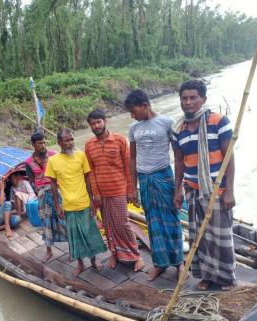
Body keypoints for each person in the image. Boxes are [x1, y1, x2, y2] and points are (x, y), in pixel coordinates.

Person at [172, 79, 236, 291]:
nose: (188, 102)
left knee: (220, 236)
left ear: (203, 99)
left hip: (217, 189)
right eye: (184, 98)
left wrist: (230, 191)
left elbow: (229, 157)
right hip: (192, 190)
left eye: (193, 98)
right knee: (198, 235)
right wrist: (177, 190)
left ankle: (226, 278)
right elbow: (179, 162)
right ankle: (206, 276)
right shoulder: (178, 128)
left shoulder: (218, 121)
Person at [125, 90, 184, 281]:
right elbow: (132, 158)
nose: (132, 116)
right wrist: (133, 187)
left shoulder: (167, 122)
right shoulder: (134, 128)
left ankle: (179, 263)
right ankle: (160, 264)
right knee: (153, 222)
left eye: (134, 111)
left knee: (172, 219)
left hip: (164, 176)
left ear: (144, 105)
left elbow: (177, 156)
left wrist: (178, 188)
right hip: (145, 179)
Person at [84, 109, 144, 272]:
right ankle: (115, 253)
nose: (96, 126)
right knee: (108, 226)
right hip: (101, 194)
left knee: (123, 224)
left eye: (98, 122)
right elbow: (91, 172)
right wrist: (95, 194)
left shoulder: (119, 140)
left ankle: (136, 256)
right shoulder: (89, 145)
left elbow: (128, 166)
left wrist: (131, 189)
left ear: (105, 121)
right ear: (90, 126)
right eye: (93, 123)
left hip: (118, 190)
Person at [46, 128, 107, 276]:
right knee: (74, 237)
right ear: (59, 143)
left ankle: (93, 261)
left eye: (72, 139)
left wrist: (92, 201)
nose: (70, 143)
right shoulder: (53, 160)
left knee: (89, 234)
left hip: (84, 203)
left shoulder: (81, 156)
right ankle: (80, 264)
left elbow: (87, 180)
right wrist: (57, 205)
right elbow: (53, 184)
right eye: (66, 140)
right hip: (68, 206)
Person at [25, 132, 67, 262]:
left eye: (44, 142)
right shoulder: (29, 162)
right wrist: (39, 189)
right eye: (39, 143)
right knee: (46, 221)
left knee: (65, 219)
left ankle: (73, 248)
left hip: (59, 191)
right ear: (33, 145)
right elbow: (31, 180)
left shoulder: (54, 155)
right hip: (43, 194)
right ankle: (49, 250)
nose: (43, 145)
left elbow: (64, 172)